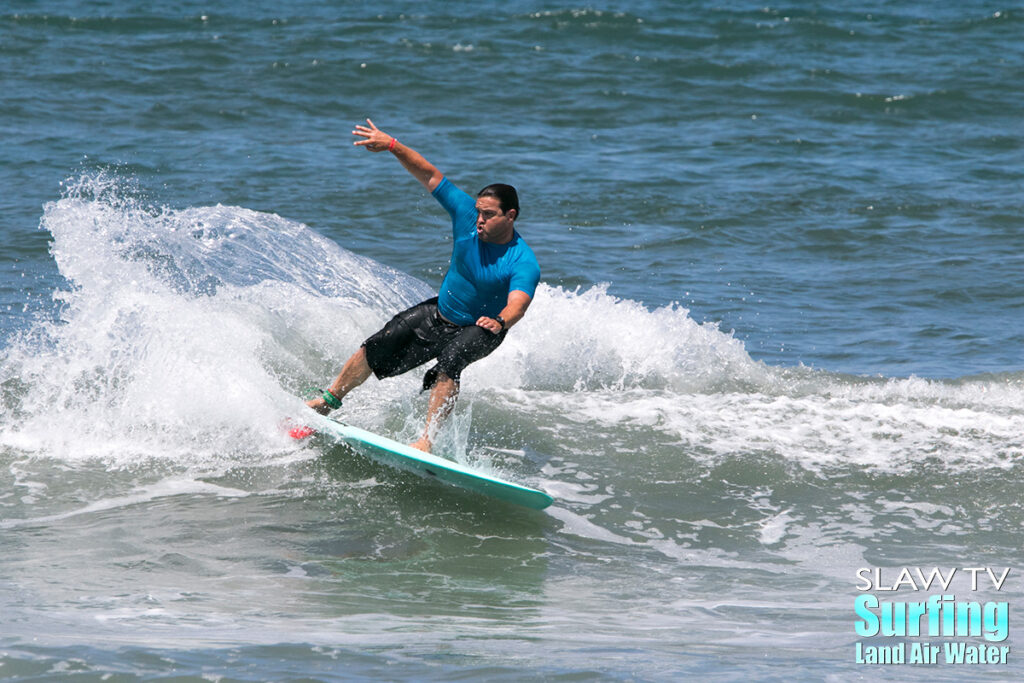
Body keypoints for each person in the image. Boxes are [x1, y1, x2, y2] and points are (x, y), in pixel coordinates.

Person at [306, 119, 540, 453]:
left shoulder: (522, 260)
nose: (479, 220)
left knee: (451, 361)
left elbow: (519, 302)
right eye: (478, 212)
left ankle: (426, 442)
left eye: (488, 215)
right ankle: (329, 400)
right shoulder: (465, 216)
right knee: (379, 342)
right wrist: (391, 145)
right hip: (442, 313)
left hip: (484, 327)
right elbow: (430, 175)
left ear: (511, 216)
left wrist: (500, 320)